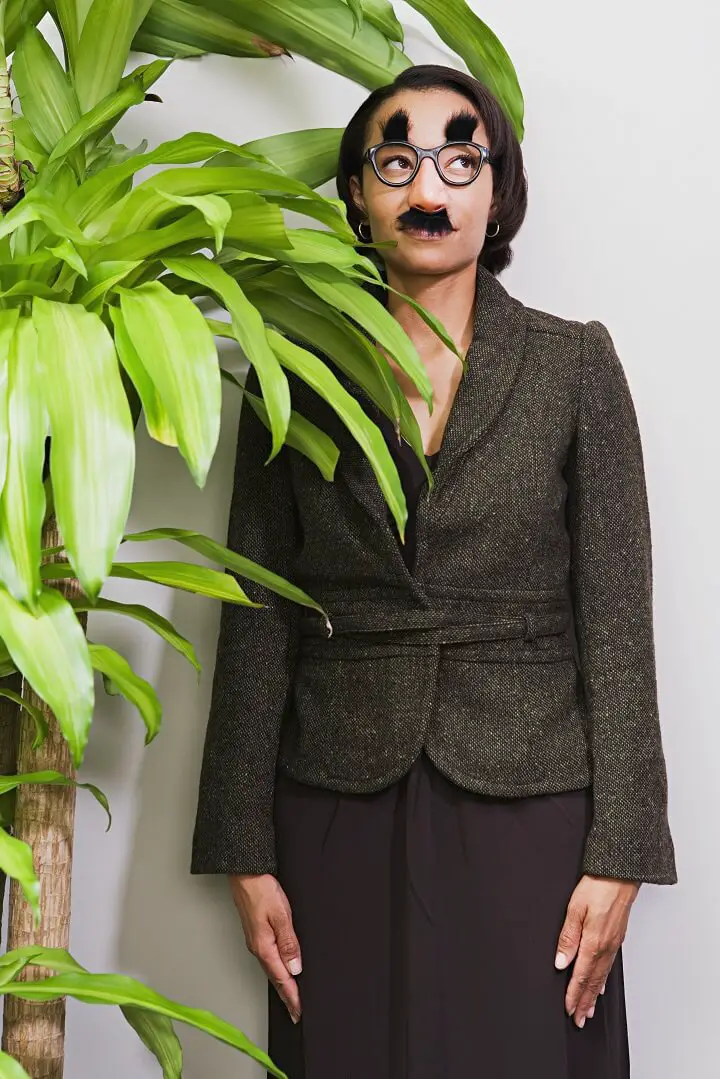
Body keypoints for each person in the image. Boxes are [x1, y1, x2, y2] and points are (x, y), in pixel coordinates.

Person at [191, 64, 678, 1078]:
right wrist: (241, 842)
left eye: (463, 157)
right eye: (398, 158)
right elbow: (256, 612)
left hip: (531, 802)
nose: (430, 186)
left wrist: (623, 847)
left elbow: (619, 622)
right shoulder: (296, 369)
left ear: (497, 191)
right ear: (359, 194)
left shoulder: (575, 365)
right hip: (335, 801)